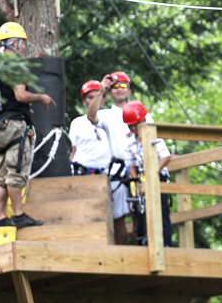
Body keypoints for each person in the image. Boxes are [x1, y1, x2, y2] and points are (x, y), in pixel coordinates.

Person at [0, 22, 56, 229]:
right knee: (16, 171)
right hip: (15, 126)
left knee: (3, 176)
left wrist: (18, 107)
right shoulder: (16, 65)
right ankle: (18, 214)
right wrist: (40, 97)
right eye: (22, 43)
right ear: (14, 43)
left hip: (0, 127)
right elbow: (20, 94)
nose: (24, 48)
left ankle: (0, 216)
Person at [87, 71, 136, 244]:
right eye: (115, 87)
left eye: (123, 86)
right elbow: (91, 117)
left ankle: (142, 251)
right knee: (119, 217)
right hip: (119, 169)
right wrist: (100, 90)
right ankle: (121, 254)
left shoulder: (139, 110)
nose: (119, 90)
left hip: (139, 167)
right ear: (110, 92)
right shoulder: (107, 114)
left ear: (129, 90)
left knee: (140, 214)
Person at [122, 100, 174, 247]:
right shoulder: (129, 142)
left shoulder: (154, 136)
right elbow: (131, 164)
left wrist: (153, 172)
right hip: (142, 177)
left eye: (136, 124)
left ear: (144, 120)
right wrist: (136, 182)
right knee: (141, 211)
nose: (134, 128)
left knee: (161, 210)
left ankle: (165, 244)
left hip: (158, 176)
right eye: (130, 125)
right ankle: (144, 242)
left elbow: (166, 157)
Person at [68, 80, 111, 176]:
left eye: (97, 97)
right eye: (90, 97)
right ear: (84, 101)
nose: (94, 100)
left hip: (107, 173)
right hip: (81, 171)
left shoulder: (110, 117)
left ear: (102, 100)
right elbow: (73, 151)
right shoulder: (77, 122)